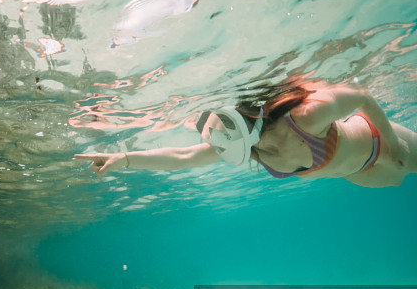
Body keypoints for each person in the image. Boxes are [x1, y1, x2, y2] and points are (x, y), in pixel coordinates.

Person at [75, 81, 416, 188]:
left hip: (377, 141)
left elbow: (360, 96)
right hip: (358, 174)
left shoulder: (305, 116)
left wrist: (392, 140)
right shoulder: (248, 149)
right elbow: (184, 157)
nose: (220, 147)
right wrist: (124, 159)